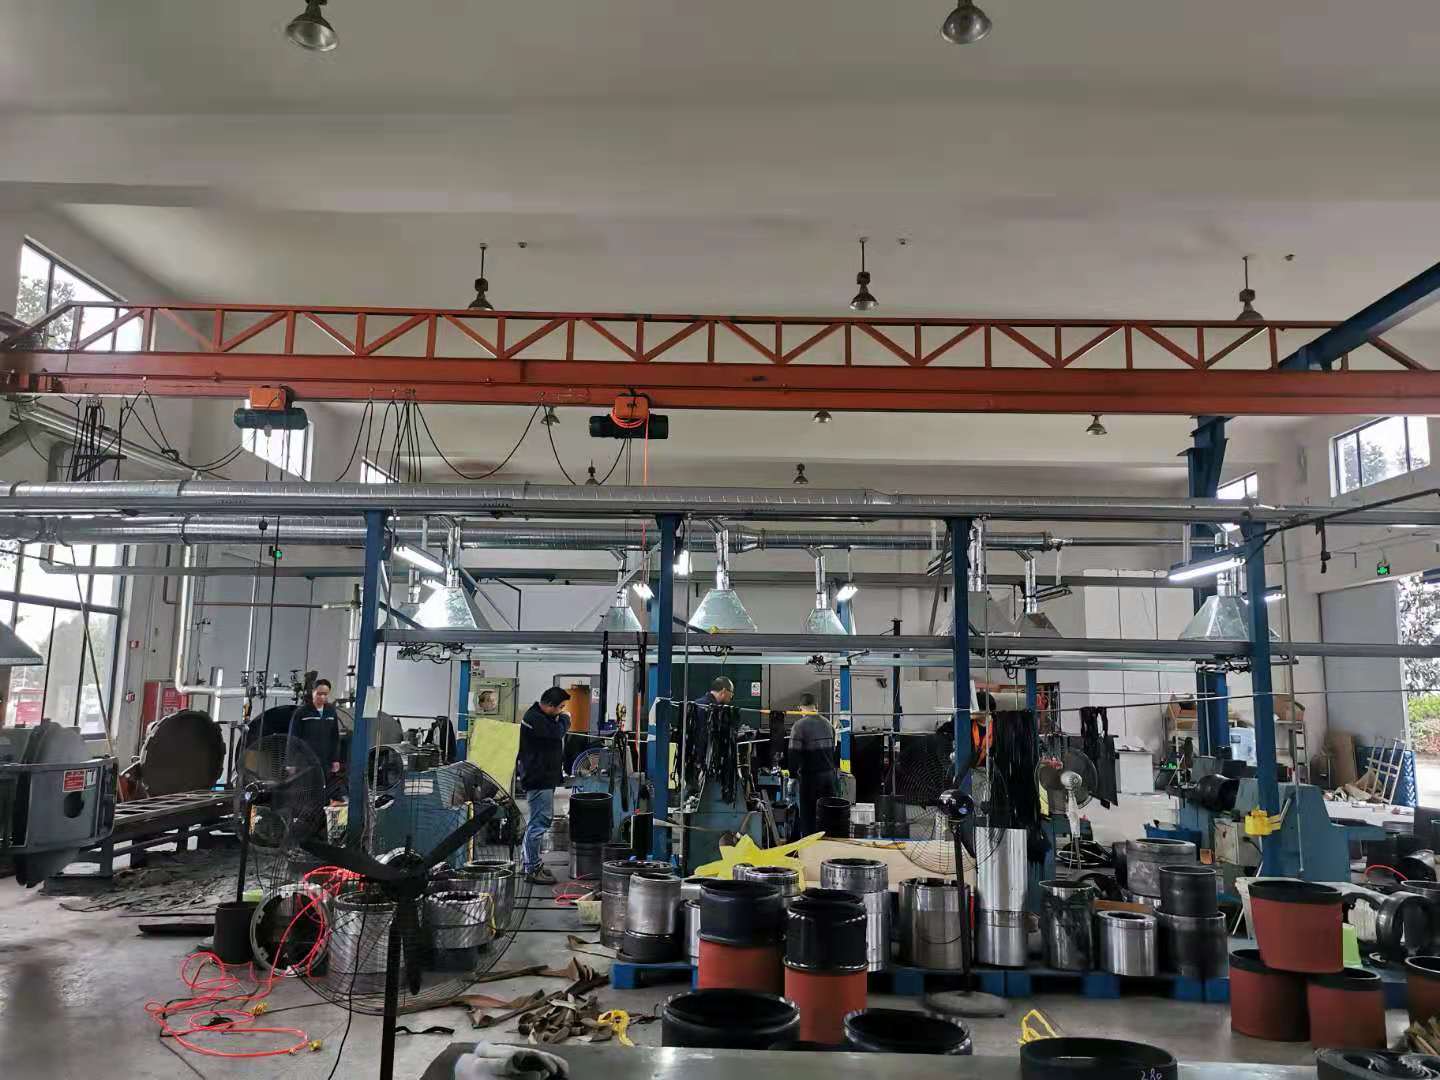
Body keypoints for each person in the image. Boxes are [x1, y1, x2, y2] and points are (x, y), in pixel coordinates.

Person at [518, 686, 571, 885]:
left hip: (543, 777)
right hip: (539, 779)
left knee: (536, 823)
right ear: (549, 705)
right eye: (560, 707)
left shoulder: (541, 716)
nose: (562, 711)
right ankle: (532, 869)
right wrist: (566, 719)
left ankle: (529, 863)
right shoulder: (535, 718)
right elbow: (557, 733)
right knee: (538, 824)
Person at [788, 692, 838, 836]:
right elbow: (833, 750)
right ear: (816, 706)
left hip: (810, 779)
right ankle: (828, 844)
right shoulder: (828, 724)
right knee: (827, 815)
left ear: (800, 708)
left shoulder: (799, 726)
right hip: (829, 777)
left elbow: (793, 753)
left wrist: (792, 776)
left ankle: (810, 845)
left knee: (808, 817)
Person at [289, 678, 342, 796]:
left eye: (325, 694)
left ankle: (322, 807)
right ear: (313, 692)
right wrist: (291, 762)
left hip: (325, 760)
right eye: (319, 694)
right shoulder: (302, 712)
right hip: (305, 761)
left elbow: (335, 737)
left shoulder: (331, 712)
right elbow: (293, 738)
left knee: (323, 791)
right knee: (305, 792)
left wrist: (335, 759)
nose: (322, 697)